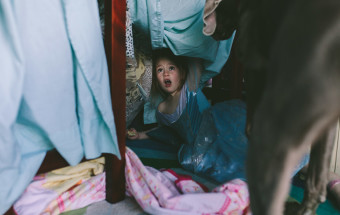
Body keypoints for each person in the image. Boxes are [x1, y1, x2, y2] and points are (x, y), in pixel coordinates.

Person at [127, 48, 249, 183]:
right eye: (160, 70)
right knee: (221, 168)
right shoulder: (162, 108)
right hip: (198, 149)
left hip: (218, 132)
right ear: (156, 78)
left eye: (171, 68)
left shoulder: (189, 86)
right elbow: (166, 132)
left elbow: (195, 57)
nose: (166, 73)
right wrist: (140, 135)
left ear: (182, 72)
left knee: (239, 153)